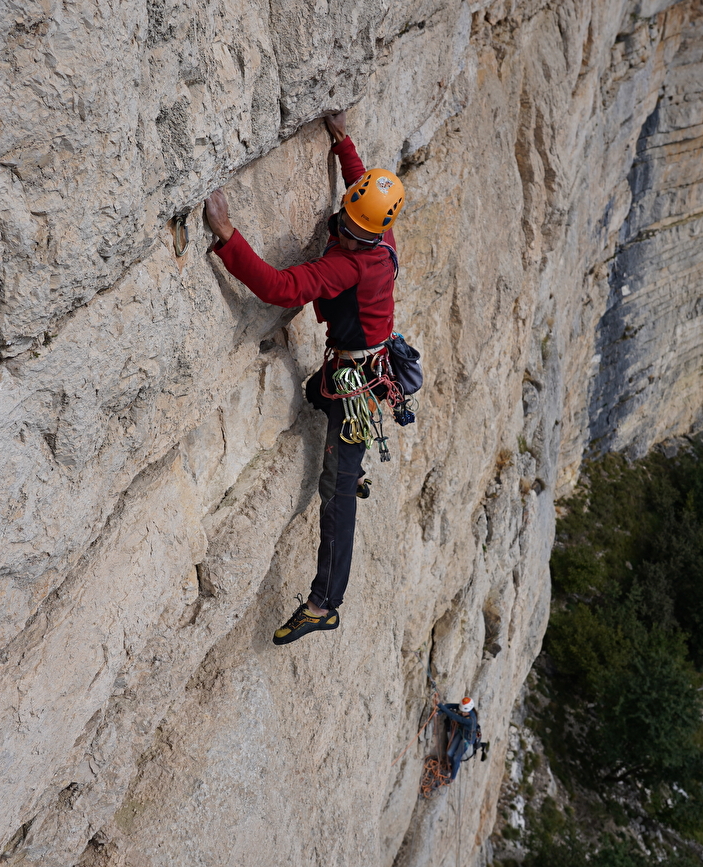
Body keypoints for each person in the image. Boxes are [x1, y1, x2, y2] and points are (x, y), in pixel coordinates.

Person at [203, 111, 406, 647]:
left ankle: (325, 603)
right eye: (349, 221)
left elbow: (277, 287)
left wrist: (227, 234)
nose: (345, 232)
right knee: (318, 391)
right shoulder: (382, 237)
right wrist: (343, 141)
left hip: (355, 384)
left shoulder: (348, 265)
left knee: (335, 491)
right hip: (367, 365)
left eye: (355, 231)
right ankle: (353, 464)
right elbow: (363, 188)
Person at [438, 697, 480, 780]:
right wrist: (439, 712)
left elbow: (453, 716)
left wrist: (439, 705)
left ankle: (452, 777)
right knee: (449, 753)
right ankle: (453, 765)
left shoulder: (470, 720)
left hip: (466, 740)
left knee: (456, 757)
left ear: (468, 710)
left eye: (464, 712)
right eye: (462, 711)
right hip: (462, 733)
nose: (462, 713)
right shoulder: (466, 709)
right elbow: (449, 705)